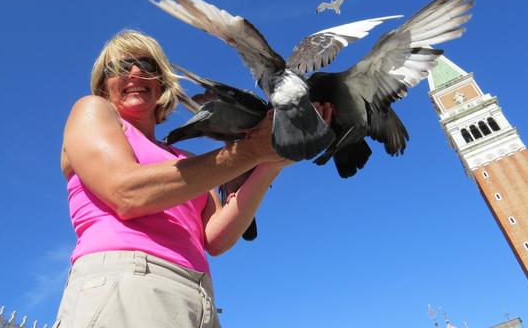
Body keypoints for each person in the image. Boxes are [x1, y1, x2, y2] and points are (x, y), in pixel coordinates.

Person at [55, 29, 332, 328]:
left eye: (147, 66)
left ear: (161, 82)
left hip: (197, 292)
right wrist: (251, 150)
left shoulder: (184, 160)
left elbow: (215, 239)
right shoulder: (91, 111)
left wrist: (273, 159)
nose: (135, 72)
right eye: (121, 67)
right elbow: (126, 193)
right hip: (129, 277)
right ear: (103, 84)